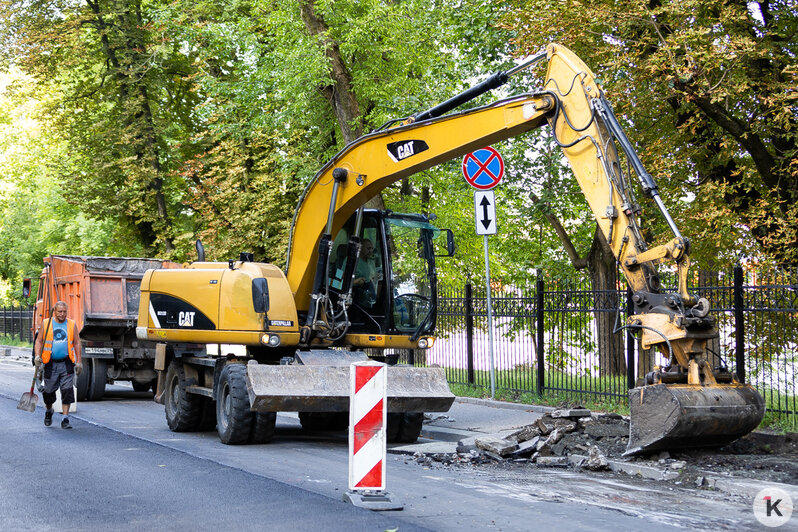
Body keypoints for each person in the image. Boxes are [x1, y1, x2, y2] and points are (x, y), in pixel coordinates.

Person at [34, 301, 82, 429]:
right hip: (50, 363)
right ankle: (49, 411)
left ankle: (65, 419)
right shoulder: (46, 323)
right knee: (48, 393)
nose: (62, 314)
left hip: (66, 363)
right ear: (54, 311)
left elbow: (77, 343)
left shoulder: (72, 324)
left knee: (67, 391)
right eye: (60, 311)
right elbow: (39, 341)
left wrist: (79, 362)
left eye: (64, 312)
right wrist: (37, 356)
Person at [353, 239, 380, 307]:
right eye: (368, 248)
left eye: (372, 248)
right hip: (355, 295)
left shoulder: (370, 261)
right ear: (361, 248)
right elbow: (341, 279)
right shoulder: (352, 260)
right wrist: (356, 281)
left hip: (368, 295)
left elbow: (371, 278)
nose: (371, 251)